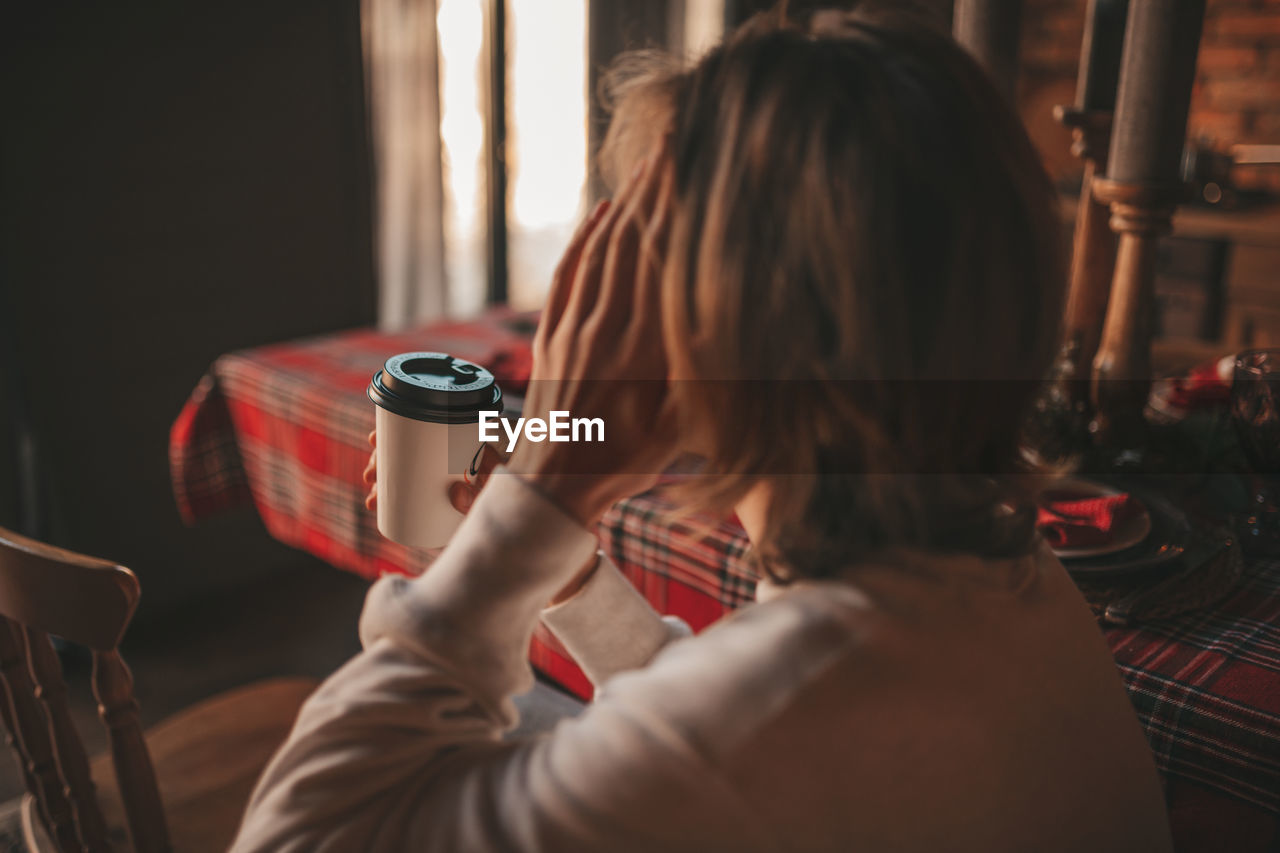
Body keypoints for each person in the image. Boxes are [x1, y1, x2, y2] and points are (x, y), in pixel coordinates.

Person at [231, 8, 1173, 851]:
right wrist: (567, 573)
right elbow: (732, 716)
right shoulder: (998, 575)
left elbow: (300, 831)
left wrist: (543, 496)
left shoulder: (781, 715)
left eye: (641, 256)